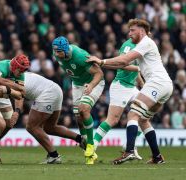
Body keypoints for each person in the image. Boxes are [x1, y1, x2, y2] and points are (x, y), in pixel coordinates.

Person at [87, 19, 173, 164]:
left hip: (156, 83)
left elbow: (124, 61)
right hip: (165, 85)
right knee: (143, 120)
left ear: (142, 31)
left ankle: (129, 151)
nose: (129, 33)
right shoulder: (145, 44)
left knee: (132, 114)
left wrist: (102, 61)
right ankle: (157, 156)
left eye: (132, 30)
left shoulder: (145, 42)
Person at [52, 36, 104, 165]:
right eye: (54, 51)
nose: (56, 54)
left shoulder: (80, 56)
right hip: (77, 84)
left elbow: (99, 74)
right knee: (78, 117)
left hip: (93, 83)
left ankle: (91, 145)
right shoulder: (58, 55)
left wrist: (91, 85)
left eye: (58, 51)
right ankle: (86, 147)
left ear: (65, 49)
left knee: (83, 109)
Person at [93, 38, 145, 160]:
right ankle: (92, 145)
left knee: (145, 113)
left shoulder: (142, 46)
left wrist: (142, 84)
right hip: (121, 86)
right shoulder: (128, 45)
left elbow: (136, 67)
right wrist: (140, 69)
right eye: (131, 30)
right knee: (113, 119)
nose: (131, 33)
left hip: (132, 87)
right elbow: (123, 65)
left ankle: (130, 145)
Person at [0, 54, 30, 163]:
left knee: (9, 123)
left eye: (23, 71)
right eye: (20, 70)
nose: (21, 73)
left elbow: (20, 94)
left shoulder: (20, 74)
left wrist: (17, 112)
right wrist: (8, 91)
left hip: (3, 92)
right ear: (14, 66)